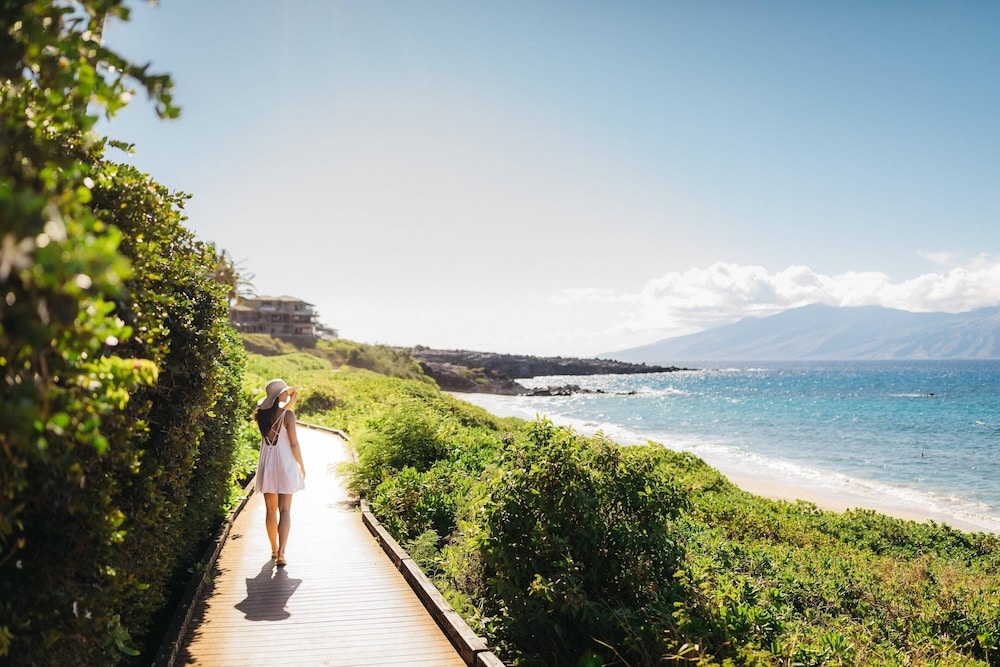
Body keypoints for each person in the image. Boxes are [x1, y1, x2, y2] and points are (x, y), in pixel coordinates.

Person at [254, 378, 306, 567]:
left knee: (270, 510)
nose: (287, 394)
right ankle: (282, 553)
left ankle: (274, 549)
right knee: (285, 510)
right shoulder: (288, 415)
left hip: (268, 464)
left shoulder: (261, 415)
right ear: (279, 395)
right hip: (285, 464)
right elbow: (293, 443)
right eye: (284, 391)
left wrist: (290, 399)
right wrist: (301, 465)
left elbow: (280, 413)